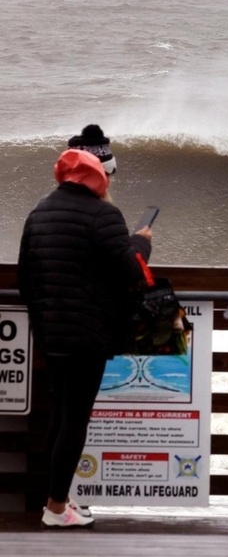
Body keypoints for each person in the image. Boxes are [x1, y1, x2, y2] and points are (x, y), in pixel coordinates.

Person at [17, 125, 153, 528]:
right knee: (75, 418)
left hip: (50, 331)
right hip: (86, 334)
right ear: (99, 176)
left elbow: (26, 277)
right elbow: (132, 272)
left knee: (60, 413)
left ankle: (55, 499)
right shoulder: (104, 214)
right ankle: (57, 509)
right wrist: (142, 242)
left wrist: (46, 316)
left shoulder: (39, 211)